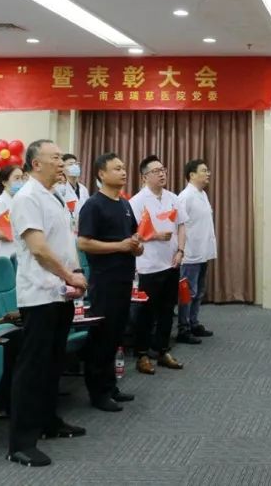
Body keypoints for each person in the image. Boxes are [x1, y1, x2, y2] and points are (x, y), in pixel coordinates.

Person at [8, 139, 88, 467]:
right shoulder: (27, 197)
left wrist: (75, 274)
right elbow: (39, 249)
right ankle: (21, 442)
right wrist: (70, 277)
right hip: (39, 294)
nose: (62, 163)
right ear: (36, 163)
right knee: (33, 368)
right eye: (55, 158)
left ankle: (48, 421)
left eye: (61, 158)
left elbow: (65, 242)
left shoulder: (54, 194)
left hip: (59, 291)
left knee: (54, 363)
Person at [77, 153, 143, 411]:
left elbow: (132, 238)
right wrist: (120, 246)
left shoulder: (124, 204)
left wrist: (136, 247)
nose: (123, 172)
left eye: (124, 168)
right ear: (101, 174)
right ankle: (98, 393)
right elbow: (84, 243)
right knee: (102, 337)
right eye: (116, 168)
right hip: (104, 281)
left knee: (116, 335)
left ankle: (110, 386)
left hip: (124, 278)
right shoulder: (93, 205)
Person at [128, 155, 186, 374]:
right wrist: (155, 236)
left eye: (163, 170)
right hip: (148, 266)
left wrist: (180, 251)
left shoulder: (173, 198)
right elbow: (132, 234)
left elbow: (182, 226)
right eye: (156, 171)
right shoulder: (137, 201)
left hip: (171, 263)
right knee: (146, 312)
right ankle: (142, 354)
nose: (162, 174)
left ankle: (162, 350)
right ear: (144, 177)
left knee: (167, 310)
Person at [177, 159, 216, 343]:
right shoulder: (185, 196)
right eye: (204, 171)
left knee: (199, 292)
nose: (208, 174)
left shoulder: (203, 194)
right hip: (190, 254)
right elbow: (178, 225)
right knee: (188, 293)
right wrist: (180, 250)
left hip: (203, 252)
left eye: (208, 170)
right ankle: (183, 329)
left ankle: (194, 323)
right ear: (192, 175)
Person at [0, 165, 24, 258]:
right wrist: (26, 234)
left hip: (20, 254)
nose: (20, 182)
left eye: (22, 178)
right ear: (4, 182)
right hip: (7, 256)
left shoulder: (19, 201)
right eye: (17, 178)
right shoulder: (0, 203)